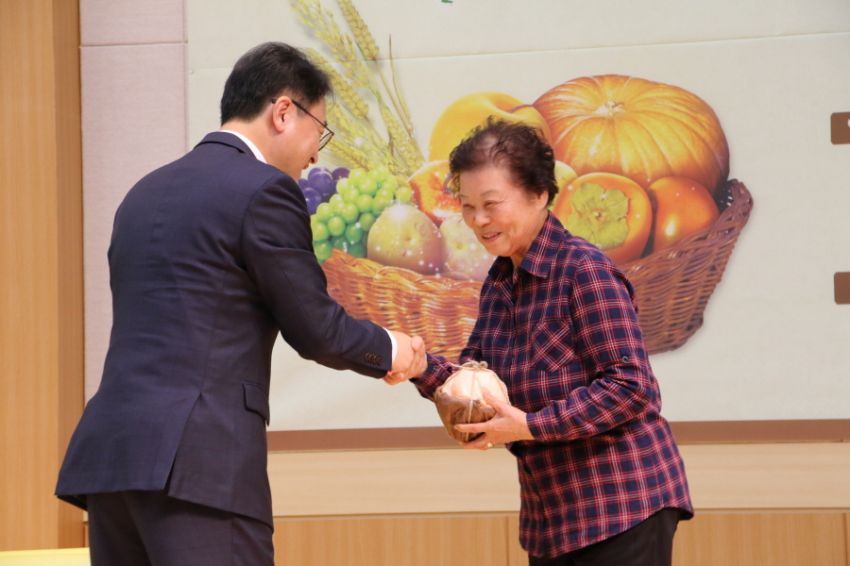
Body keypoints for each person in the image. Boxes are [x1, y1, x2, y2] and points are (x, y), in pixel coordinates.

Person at [56, 42, 426, 565]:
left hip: (111, 464)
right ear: (283, 112)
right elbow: (317, 329)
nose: (316, 155)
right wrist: (394, 350)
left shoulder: (142, 193)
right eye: (319, 132)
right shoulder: (264, 190)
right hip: (198, 467)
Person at [411, 119, 693, 565]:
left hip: (623, 506)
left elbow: (631, 386)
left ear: (540, 193)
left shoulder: (584, 270)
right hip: (552, 522)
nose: (478, 220)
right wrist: (417, 366)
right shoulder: (500, 281)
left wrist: (529, 426)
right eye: (467, 206)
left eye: (491, 204)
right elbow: (474, 384)